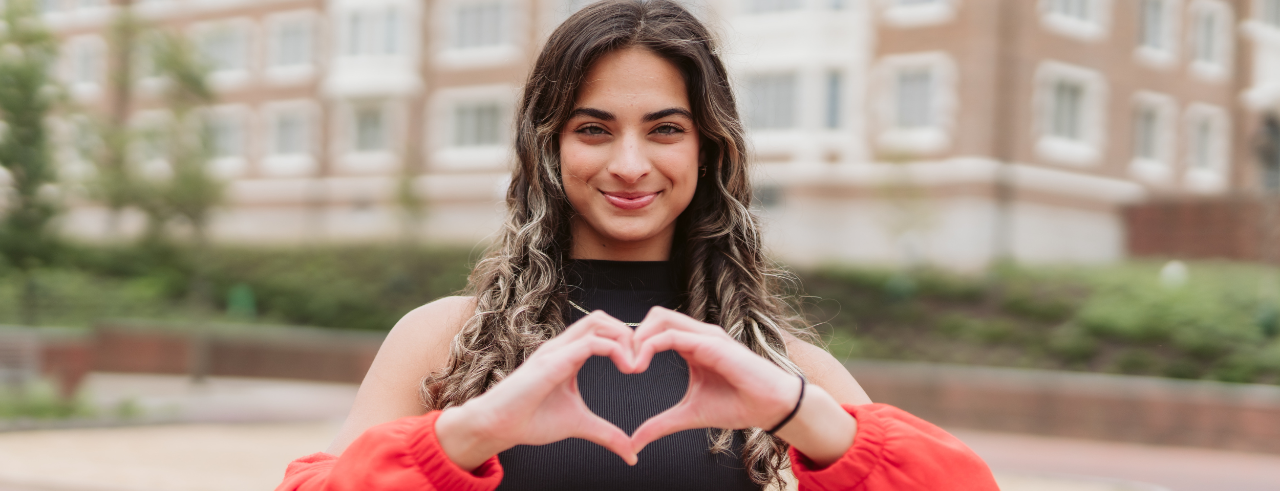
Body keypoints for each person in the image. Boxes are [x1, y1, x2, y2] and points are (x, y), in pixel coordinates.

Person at [277, 1, 999, 490]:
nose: (629, 164)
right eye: (594, 129)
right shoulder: (442, 340)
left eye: (665, 129)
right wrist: (468, 434)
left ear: (708, 150)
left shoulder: (773, 362)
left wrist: (798, 412)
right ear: (549, 148)